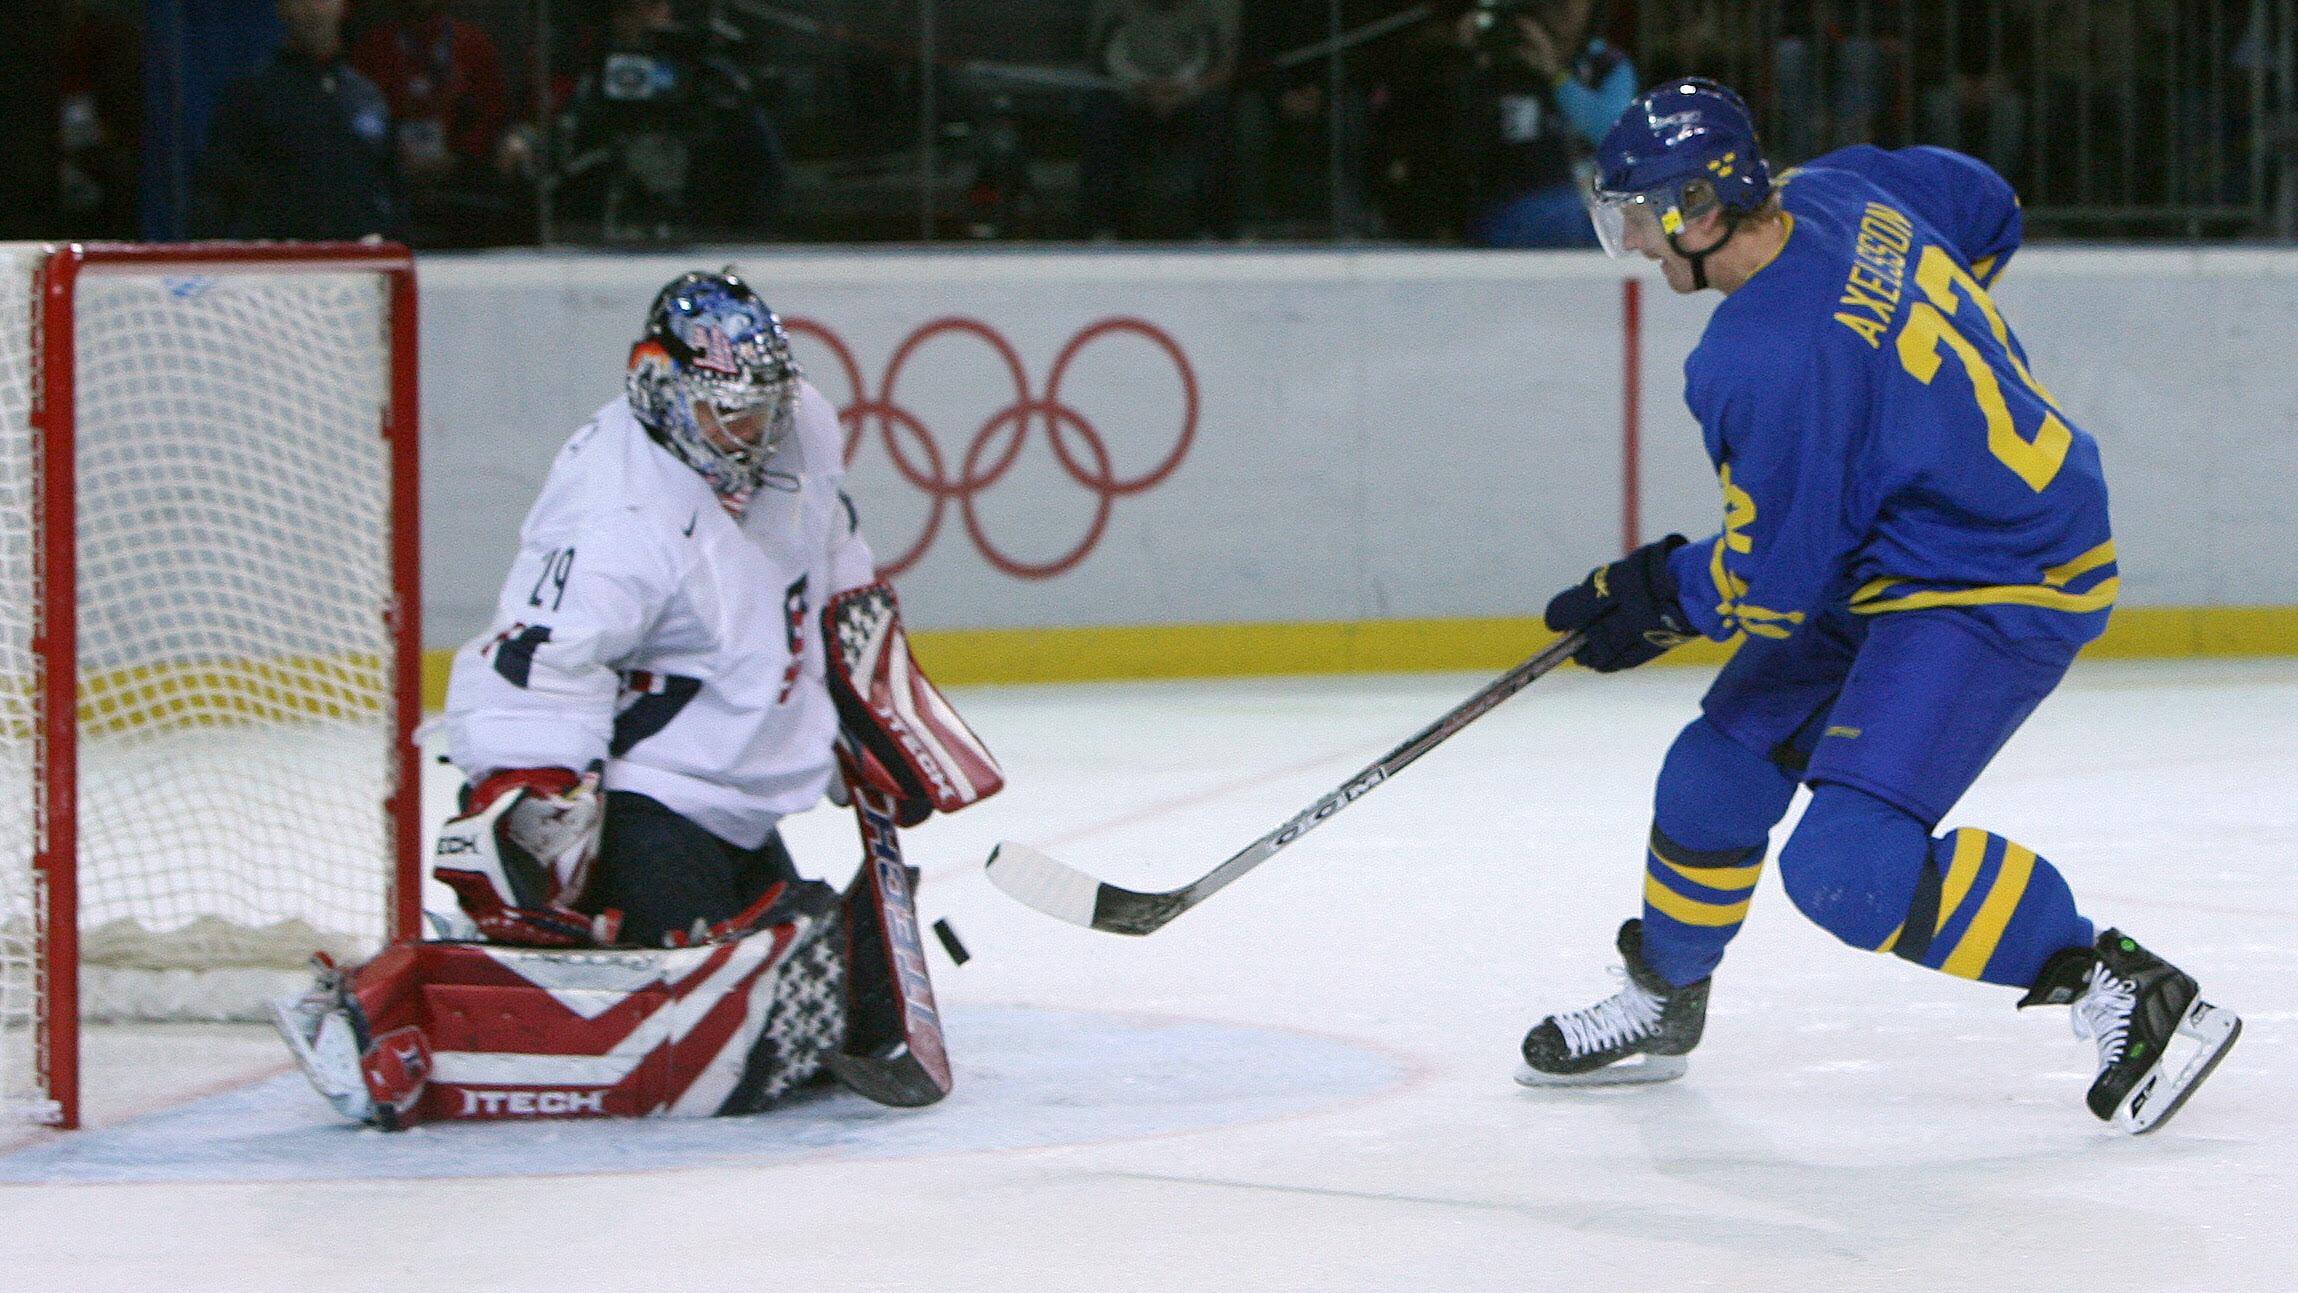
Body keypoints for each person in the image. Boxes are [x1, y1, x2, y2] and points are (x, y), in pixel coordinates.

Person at [1517, 79, 2242, 1134]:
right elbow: (1987, 205)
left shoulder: (1757, 357)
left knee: (1847, 872)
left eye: (1641, 215)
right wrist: (1914, 399)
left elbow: (1770, 592)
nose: (1631, 242)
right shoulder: (1842, 191)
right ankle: (1664, 1000)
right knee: (1713, 773)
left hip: (2002, 574)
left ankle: (2123, 985)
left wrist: (1658, 595)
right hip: (1894, 553)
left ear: (1702, 210)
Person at [273, 269, 1001, 1127]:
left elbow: (832, 561)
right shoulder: (617, 508)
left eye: (761, 409)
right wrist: (527, 787)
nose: (749, 433)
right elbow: (546, 659)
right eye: (723, 412)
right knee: (733, 1024)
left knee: (808, 985)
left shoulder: (797, 430)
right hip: (649, 805)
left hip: (737, 797)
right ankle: (416, 1010)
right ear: (661, 387)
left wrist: (874, 702)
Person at [189, 0, 404, 240]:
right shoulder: (252, 95)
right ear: (282, 8)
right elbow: (216, 195)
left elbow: (392, 188)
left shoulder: (365, 96)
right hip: (281, 258)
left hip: (358, 255)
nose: (312, 9)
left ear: (342, 6)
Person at [1447, 0, 1633, 247]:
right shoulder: (1502, 60)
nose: (1560, 9)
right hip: (1514, 206)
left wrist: (1555, 75)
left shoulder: (1605, 63)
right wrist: (1468, 57)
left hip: (1592, 208)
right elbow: (1461, 147)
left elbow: (1613, 134)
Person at [348, 0, 529, 247]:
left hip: (461, 179)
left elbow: (493, 114)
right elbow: (356, 115)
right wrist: (392, 154)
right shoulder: (373, 47)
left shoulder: (474, 45)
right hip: (390, 179)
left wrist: (459, 156)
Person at [1079, 0, 1239, 240]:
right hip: (1130, 96)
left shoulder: (1202, 15)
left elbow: (1210, 61)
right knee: (1101, 115)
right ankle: (1103, 227)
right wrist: (1144, 87)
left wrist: (1178, 90)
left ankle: (1211, 229)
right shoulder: (1120, 11)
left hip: (1188, 98)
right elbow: (1108, 61)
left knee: (1215, 116)